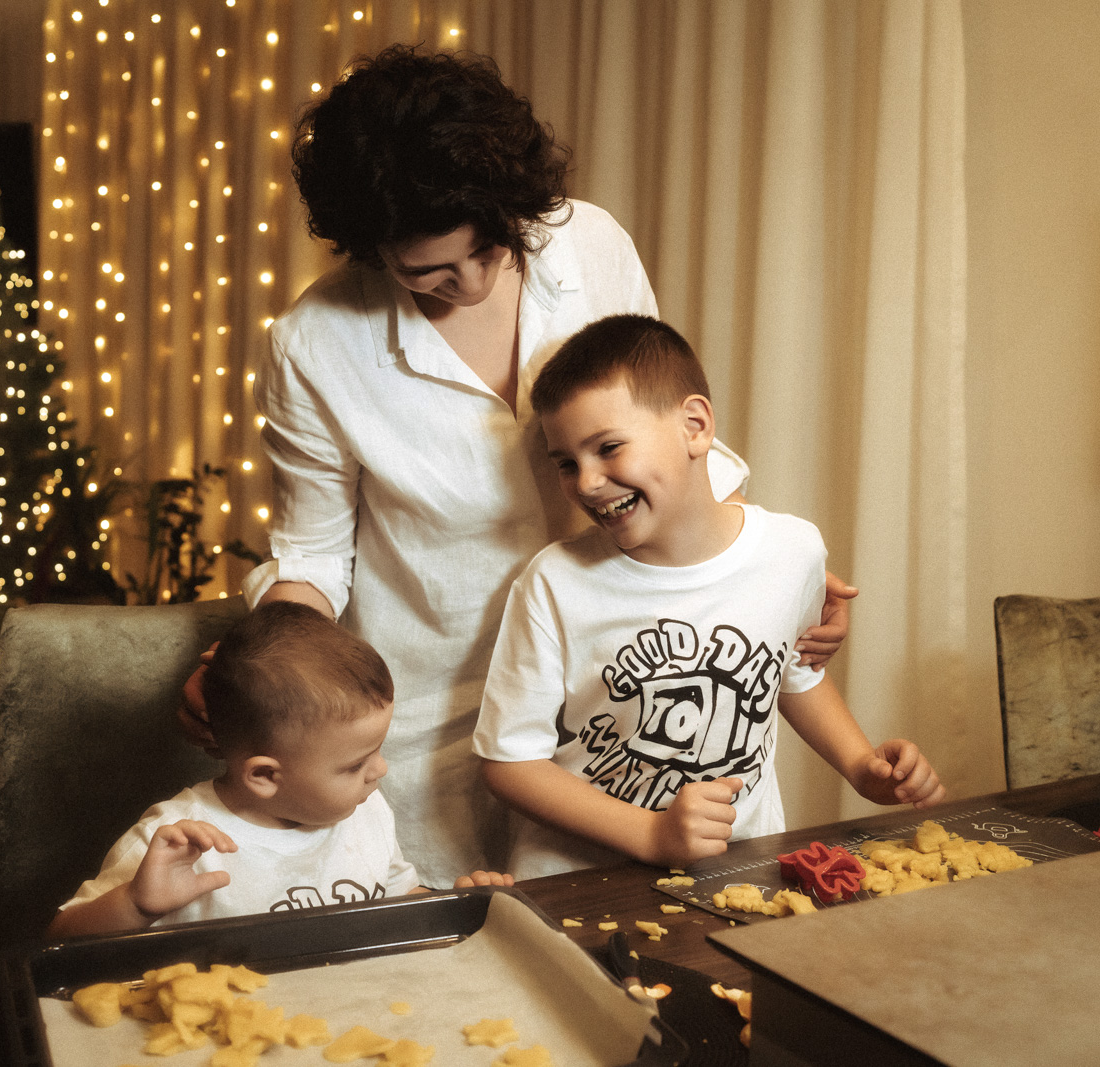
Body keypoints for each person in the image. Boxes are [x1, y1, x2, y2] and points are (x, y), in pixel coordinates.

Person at [194, 44, 855, 888]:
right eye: (426, 272)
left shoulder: (589, 244)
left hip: (627, 705)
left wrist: (767, 576)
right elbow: (316, 557)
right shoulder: (316, 343)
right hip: (436, 730)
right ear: (368, 246)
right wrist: (262, 664)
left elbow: (655, 422)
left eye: (489, 248)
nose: (469, 281)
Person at [473, 315, 944, 879]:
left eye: (608, 448)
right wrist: (652, 834)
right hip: (580, 877)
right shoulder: (554, 582)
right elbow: (510, 762)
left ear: (695, 427)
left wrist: (862, 767)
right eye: (567, 464)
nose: (588, 482)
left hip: (736, 869)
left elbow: (791, 673)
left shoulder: (793, 550)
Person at [49, 602, 510, 937]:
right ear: (265, 776)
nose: (380, 770)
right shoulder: (177, 841)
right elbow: (59, 939)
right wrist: (135, 904)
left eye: (377, 751)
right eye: (355, 764)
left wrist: (461, 906)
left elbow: (398, 899)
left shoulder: (365, 812)